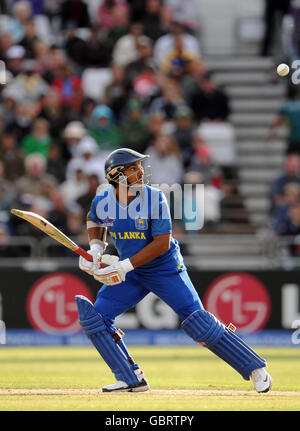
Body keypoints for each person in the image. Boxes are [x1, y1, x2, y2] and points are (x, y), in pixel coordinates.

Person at [76, 147, 272, 393]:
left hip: (164, 267)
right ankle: (130, 377)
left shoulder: (155, 198)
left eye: (139, 167)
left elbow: (162, 243)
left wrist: (124, 265)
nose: (140, 172)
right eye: (133, 168)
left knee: (198, 321)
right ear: (116, 175)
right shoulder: (102, 200)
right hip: (133, 271)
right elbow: (94, 219)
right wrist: (95, 247)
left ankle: (256, 369)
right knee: (96, 319)